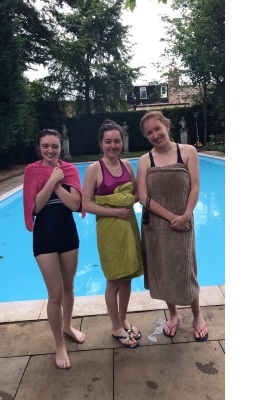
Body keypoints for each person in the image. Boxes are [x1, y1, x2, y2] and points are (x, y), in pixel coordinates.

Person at [137, 111, 208, 342]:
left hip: (184, 221)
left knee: (187, 268)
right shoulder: (145, 160)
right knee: (163, 269)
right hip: (156, 226)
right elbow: (143, 197)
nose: (155, 134)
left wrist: (186, 215)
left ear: (167, 126)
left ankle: (197, 315)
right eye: (149, 132)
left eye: (157, 128)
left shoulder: (187, 151)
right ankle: (173, 313)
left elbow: (195, 187)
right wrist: (170, 217)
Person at [23, 129, 86, 369]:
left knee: (69, 286)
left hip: (67, 234)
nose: (50, 150)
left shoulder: (69, 170)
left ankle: (68, 325)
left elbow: (74, 204)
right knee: (55, 293)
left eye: (54, 146)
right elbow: (36, 208)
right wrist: (50, 179)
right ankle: (59, 343)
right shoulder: (32, 171)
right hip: (45, 237)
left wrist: (58, 181)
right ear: (39, 148)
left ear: (61, 148)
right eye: (45, 146)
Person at [82, 119, 143, 348]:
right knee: (114, 280)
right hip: (109, 231)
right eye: (108, 141)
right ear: (101, 143)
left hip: (128, 227)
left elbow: (136, 194)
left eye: (117, 140)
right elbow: (86, 204)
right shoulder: (94, 169)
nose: (113, 145)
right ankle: (115, 326)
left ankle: (123, 318)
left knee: (127, 277)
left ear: (122, 142)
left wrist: (127, 200)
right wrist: (117, 210)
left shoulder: (127, 166)